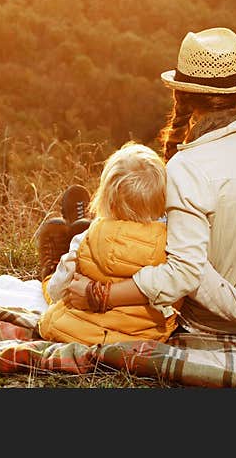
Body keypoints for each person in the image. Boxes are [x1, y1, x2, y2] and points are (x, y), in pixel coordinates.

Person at [60, 27, 236, 335]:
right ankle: (83, 230)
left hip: (206, 321)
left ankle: (82, 234)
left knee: (134, 232)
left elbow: (184, 273)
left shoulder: (189, 166)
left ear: (181, 93)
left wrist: (99, 295)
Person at [37, 142, 178, 345]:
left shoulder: (84, 242)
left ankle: (49, 268)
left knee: (55, 282)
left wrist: (53, 282)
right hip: (144, 336)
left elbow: (57, 292)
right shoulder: (173, 243)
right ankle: (79, 222)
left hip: (80, 331)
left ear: (107, 200)